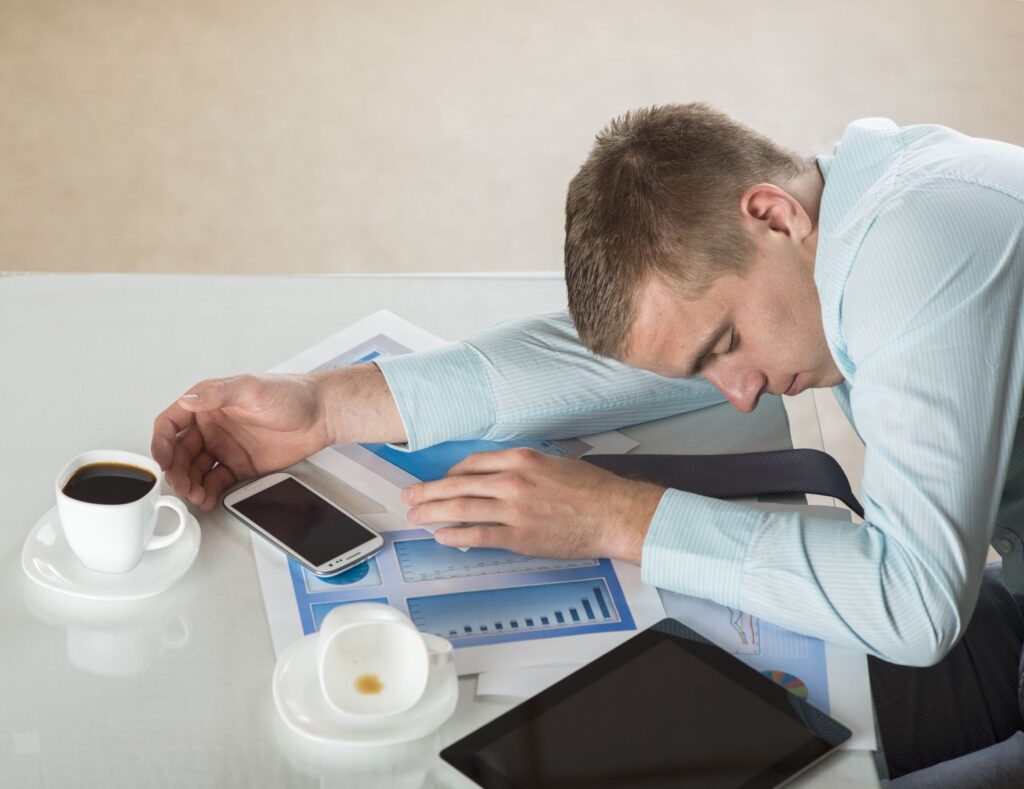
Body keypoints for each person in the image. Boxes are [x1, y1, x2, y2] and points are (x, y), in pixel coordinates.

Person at [152, 104, 1024, 780]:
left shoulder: (917, 252)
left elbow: (911, 603)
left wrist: (623, 518)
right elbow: (601, 361)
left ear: (770, 214)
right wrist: (326, 409)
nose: (740, 390)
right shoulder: (836, 220)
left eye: (724, 346)